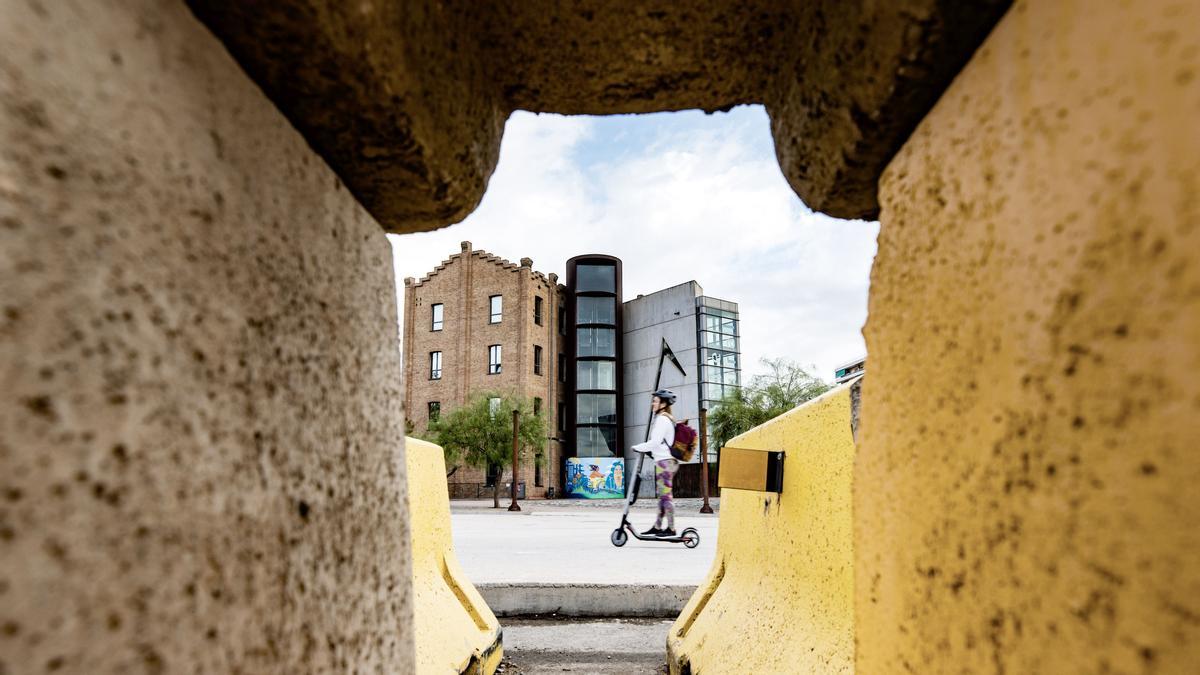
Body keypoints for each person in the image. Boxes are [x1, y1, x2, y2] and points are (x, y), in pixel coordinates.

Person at [632, 389, 678, 537]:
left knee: (666, 496)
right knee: (663, 497)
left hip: (665, 463)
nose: (653, 403)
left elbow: (655, 442)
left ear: (663, 404)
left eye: (656, 401)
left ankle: (671, 529)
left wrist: (637, 447)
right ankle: (657, 527)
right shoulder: (664, 419)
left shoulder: (663, 420)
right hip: (663, 461)